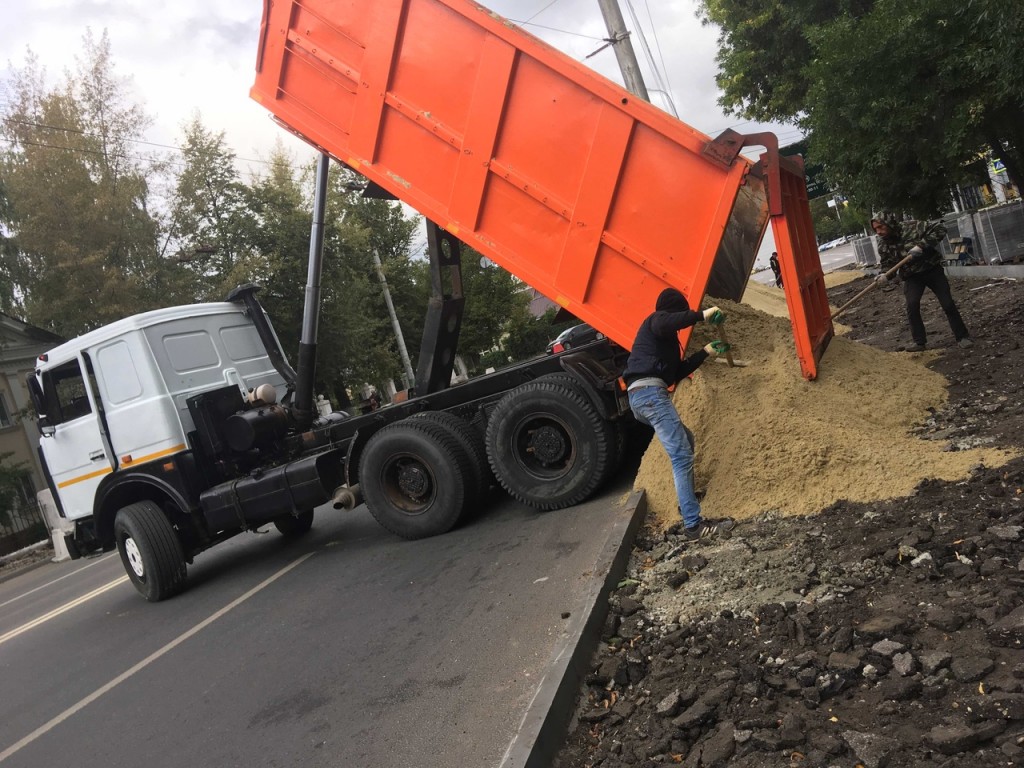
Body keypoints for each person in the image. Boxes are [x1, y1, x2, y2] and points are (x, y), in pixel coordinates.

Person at [622, 287, 735, 542]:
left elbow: (674, 374)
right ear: (673, 311)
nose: (681, 321)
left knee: (687, 440)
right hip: (649, 394)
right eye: (680, 314)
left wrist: (705, 352)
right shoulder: (656, 321)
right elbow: (668, 320)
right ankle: (694, 526)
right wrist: (701, 315)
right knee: (681, 455)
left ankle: (686, 503)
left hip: (645, 396)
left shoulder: (667, 341)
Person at [870, 212, 972, 352]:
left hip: (932, 269)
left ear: (889, 223)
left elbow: (940, 229)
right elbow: (889, 265)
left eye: (880, 227)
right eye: (875, 229)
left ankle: (962, 337)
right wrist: (884, 275)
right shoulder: (883, 243)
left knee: (947, 303)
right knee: (912, 306)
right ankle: (919, 343)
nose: (878, 232)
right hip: (912, 277)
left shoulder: (914, 226)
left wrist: (921, 246)